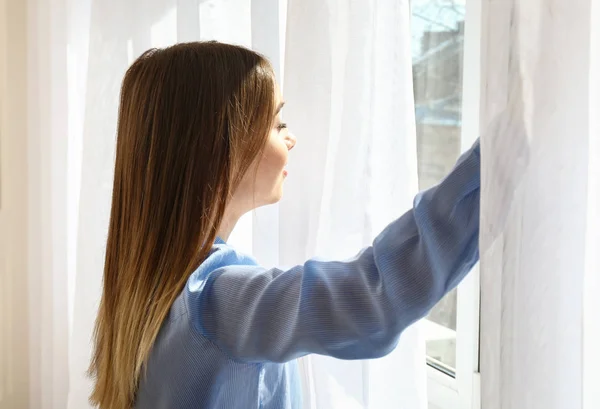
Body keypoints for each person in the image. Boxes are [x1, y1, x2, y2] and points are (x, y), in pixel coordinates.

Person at [89, 41, 480, 409]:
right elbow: (374, 299)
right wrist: (491, 162)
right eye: (278, 123)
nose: (291, 138)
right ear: (220, 148)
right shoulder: (214, 298)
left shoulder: (147, 290)